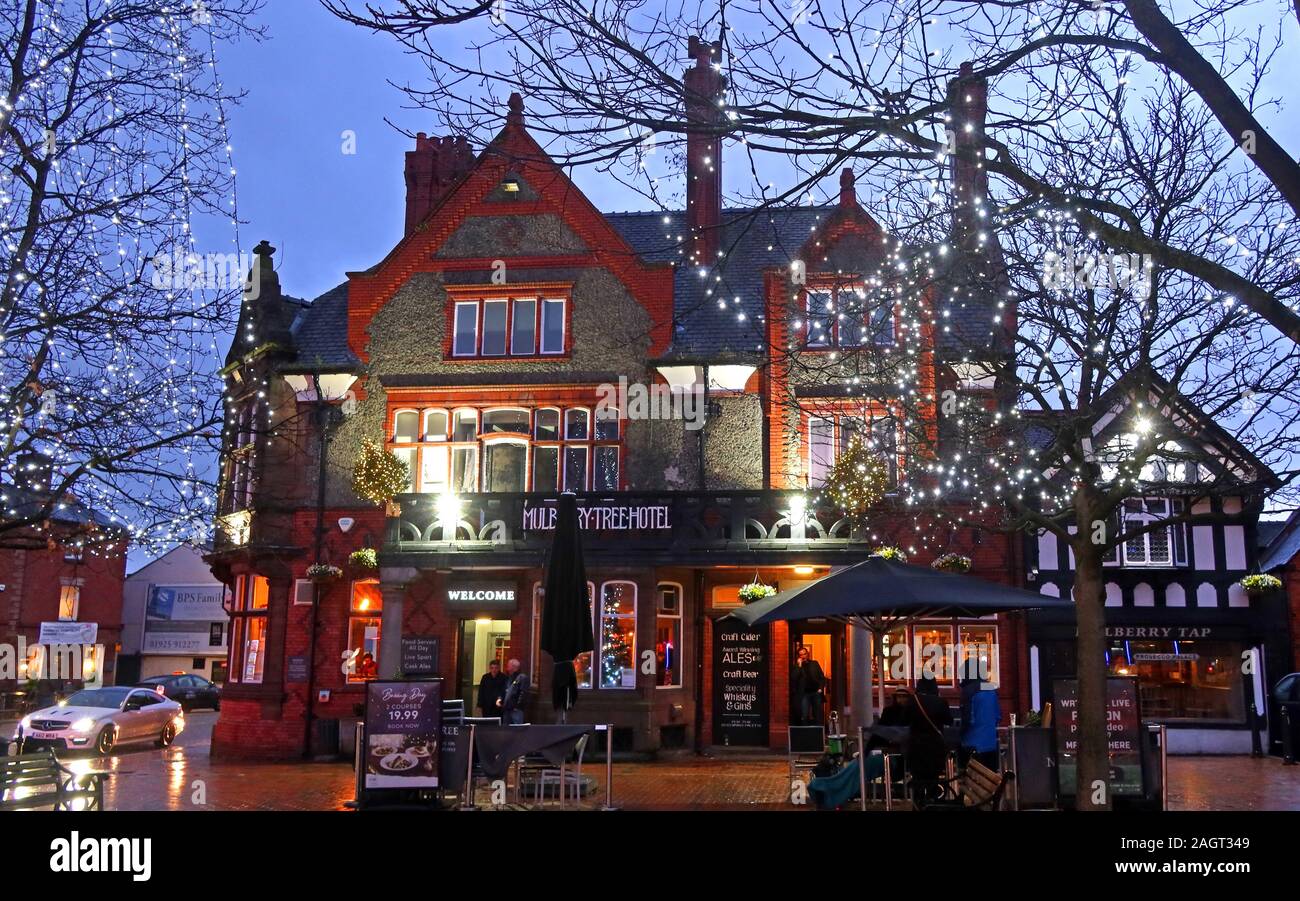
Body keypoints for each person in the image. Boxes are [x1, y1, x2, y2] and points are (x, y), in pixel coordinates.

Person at [906, 676, 953, 801]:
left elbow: (903, 720)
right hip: (935, 747)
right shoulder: (941, 701)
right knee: (933, 778)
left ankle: (918, 804)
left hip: (916, 746)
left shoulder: (913, 701)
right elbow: (949, 721)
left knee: (917, 779)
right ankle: (932, 802)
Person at [961, 679, 1002, 771]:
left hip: (972, 743)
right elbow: (998, 716)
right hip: (991, 743)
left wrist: (959, 734)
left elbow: (967, 720)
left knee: (973, 778)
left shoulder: (968, 690)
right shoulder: (991, 688)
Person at [794, 646, 827, 726]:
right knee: (804, 715)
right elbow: (794, 677)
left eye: (804, 654)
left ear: (807, 654)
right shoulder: (797, 666)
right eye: (801, 655)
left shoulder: (814, 663)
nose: (803, 656)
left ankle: (818, 734)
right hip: (804, 694)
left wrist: (820, 688)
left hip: (816, 692)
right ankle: (805, 735)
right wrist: (799, 665)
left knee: (818, 715)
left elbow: (822, 677)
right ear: (799, 656)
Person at [499, 658, 531, 725]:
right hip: (507, 709)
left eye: (508, 665)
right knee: (506, 729)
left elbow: (523, 693)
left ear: (514, 667)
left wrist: (517, 706)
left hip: (516, 710)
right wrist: (501, 699)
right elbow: (506, 691)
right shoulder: (509, 678)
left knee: (517, 729)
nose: (507, 667)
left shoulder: (522, 678)